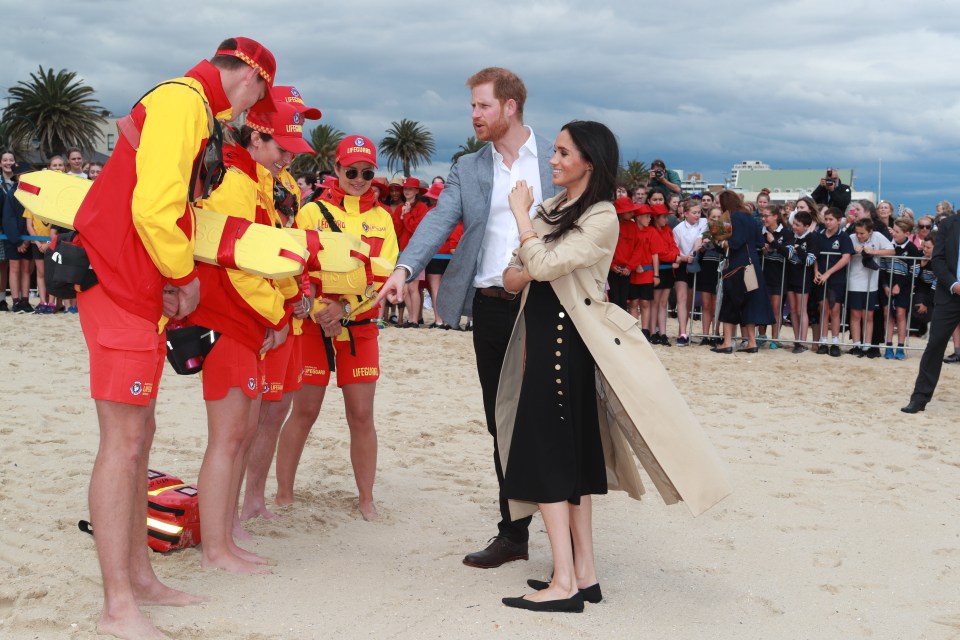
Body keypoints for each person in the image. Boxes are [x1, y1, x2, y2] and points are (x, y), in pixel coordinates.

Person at [72, 37, 277, 640]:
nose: (250, 112)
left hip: (133, 286)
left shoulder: (188, 104)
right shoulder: (185, 101)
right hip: (119, 284)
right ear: (252, 78)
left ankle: (139, 581)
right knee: (124, 443)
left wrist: (168, 276)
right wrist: (183, 276)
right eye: (258, 95)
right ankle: (117, 608)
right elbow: (156, 207)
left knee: (140, 436)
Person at [497, 121, 731, 612]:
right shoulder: (555, 209)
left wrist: (522, 224)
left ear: (590, 161)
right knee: (571, 465)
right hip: (549, 344)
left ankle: (563, 582)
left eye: (562, 152)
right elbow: (513, 277)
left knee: (552, 464)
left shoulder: (602, 216)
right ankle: (584, 574)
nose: (553, 160)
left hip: (567, 349)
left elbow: (536, 267)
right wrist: (531, 247)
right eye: (554, 151)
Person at [377, 67, 559, 568]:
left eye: (482, 106)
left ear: (510, 107)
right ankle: (514, 534)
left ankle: (565, 536)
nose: (474, 115)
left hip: (546, 304)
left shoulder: (555, 156)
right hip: (490, 307)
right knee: (500, 423)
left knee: (549, 418)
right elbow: (439, 219)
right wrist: (405, 268)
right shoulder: (468, 166)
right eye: (472, 107)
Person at [188, 99, 312, 573]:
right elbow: (238, 267)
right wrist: (279, 316)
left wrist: (286, 303)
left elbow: (270, 255)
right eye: (282, 147)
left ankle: (224, 537)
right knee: (228, 438)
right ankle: (216, 548)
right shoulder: (236, 186)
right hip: (231, 325)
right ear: (256, 138)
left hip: (249, 324)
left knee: (238, 436)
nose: (289, 159)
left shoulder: (258, 184)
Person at [289, 134, 399, 520]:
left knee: (361, 415)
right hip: (313, 325)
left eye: (366, 171)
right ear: (335, 169)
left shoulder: (383, 219)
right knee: (304, 412)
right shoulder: (311, 212)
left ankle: (366, 499)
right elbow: (297, 266)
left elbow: (383, 276)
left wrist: (345, 308)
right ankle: (284, 495)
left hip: (359, 325)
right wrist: (323, 309)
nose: (358, 177)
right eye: (350, 170)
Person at [902, 209, 960, 413]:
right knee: (935, 345)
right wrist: (954, 284)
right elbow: (939, 259)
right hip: (950, 294)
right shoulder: (948, 225)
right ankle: (919, 398)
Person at [711, 190, 773, 354]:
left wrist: (721, 242)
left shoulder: (732, 217)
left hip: (737, 266)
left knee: (729, 304)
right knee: (749, 303)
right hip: (752, 266)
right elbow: (760, 242)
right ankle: (752, 342)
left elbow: (734, 243)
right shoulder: (750, 218)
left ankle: (727, 343)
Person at [813, 207, 853, 356]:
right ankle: (823, 341)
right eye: (826, 219)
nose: (828, 222)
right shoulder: (818, 235)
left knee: (835, 310)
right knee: (824, 309)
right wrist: (816, 271)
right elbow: (815, 255)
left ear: (839, 221)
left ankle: (835, 342)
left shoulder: (843, 237)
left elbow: (846, 257)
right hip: (821, 278)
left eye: (831, 219)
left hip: (836, 279)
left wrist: (828, 273)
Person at [882, 218, 922, 360]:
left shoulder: (912, 249)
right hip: (888, 285)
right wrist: (886, 286)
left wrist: (900, 285)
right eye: (893, 230)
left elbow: (915, 271)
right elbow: (882, 267)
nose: (894, 233)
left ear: (907, 233)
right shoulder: (888, 246)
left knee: (900, 314)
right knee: (888, 314)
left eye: (897, 232)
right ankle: (888, 346)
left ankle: (900, 347)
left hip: (903, 287)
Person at [672, 199, 706, 345]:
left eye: (698, 212)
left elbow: (700, 239)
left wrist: (694, 253)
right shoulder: (678, 229)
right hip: (683, 264)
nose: (697, 215)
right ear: (685, 213)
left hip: (696, 263)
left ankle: (685, 331)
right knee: (681, 298)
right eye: (694, 213)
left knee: (690, 301)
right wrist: (685, 258)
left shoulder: (704, 222)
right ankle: (682, 332)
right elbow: (676, 250)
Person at [607, 196, 641, 311]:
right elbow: (605, 248)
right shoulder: (610, 226)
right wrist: (611, 266)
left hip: (626, 270)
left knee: (622, 300)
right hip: (611, 270)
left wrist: (629, 267)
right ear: (622, 212)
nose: (632, 213)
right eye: (629, 211)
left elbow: (638, 249)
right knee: (613, 300)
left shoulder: (633, 227)